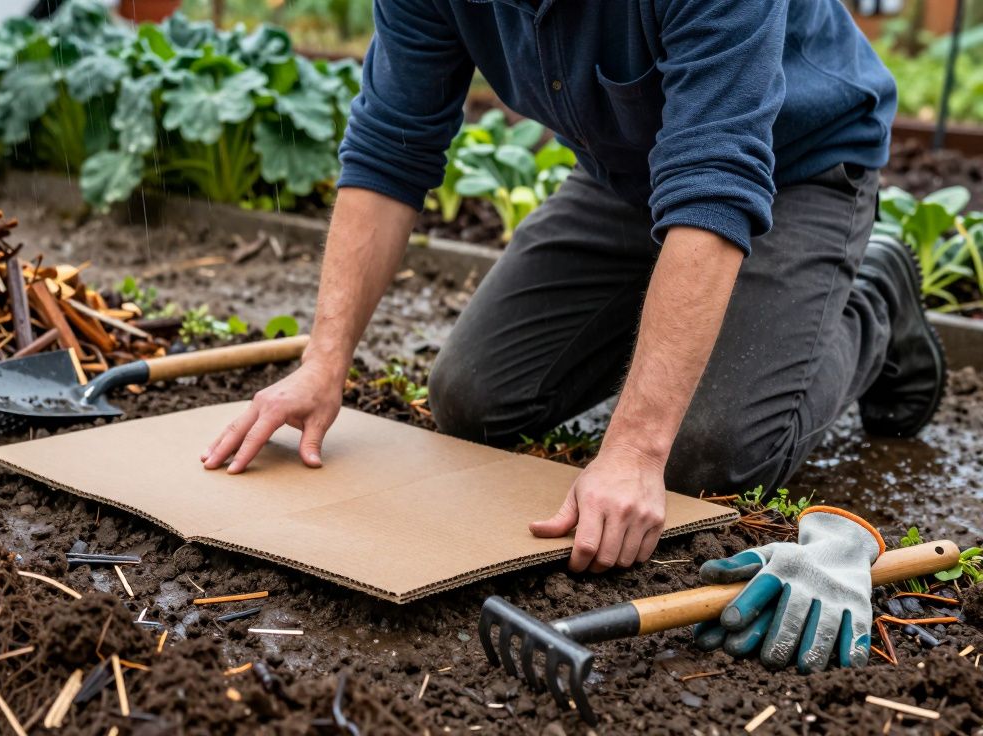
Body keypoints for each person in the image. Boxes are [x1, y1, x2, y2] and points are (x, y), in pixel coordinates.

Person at [200, 1, 946, 670]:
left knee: (707, 450)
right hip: (631, 175)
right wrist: (322, 361)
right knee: (473, 398)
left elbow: (716, 179)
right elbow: (391, 145)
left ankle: (876, 297)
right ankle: (687, 311)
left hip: (799, 164)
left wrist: (633, 450)